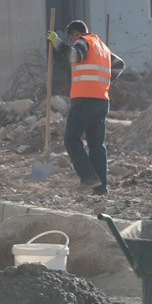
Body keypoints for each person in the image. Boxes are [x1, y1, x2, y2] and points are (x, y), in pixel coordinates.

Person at [48, 20, 125, 196]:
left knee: (71, 139)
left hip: (84, 100)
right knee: (97, 146)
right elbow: (120, 65)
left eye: (71, 38)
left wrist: (57, 43)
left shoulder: (83, 41)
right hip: (101, 101)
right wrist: (103, 81)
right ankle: (101, 187)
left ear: (75, 34)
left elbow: (75, 55)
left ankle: (89, 176)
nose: (73, 42)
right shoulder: (102, 47)